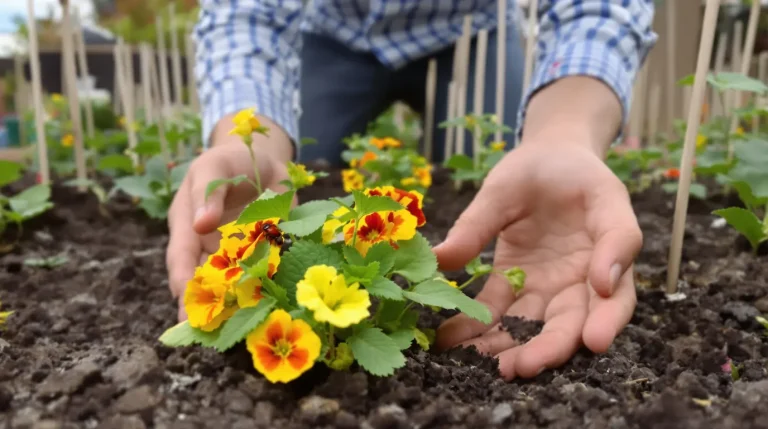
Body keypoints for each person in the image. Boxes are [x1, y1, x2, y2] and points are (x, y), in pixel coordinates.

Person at [166, 0, 657, 381]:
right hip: (335, 26)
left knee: (512, 152)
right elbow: (244, 13)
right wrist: (247, 141)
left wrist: (565, 134)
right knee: (296, 166)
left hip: (468, 23)